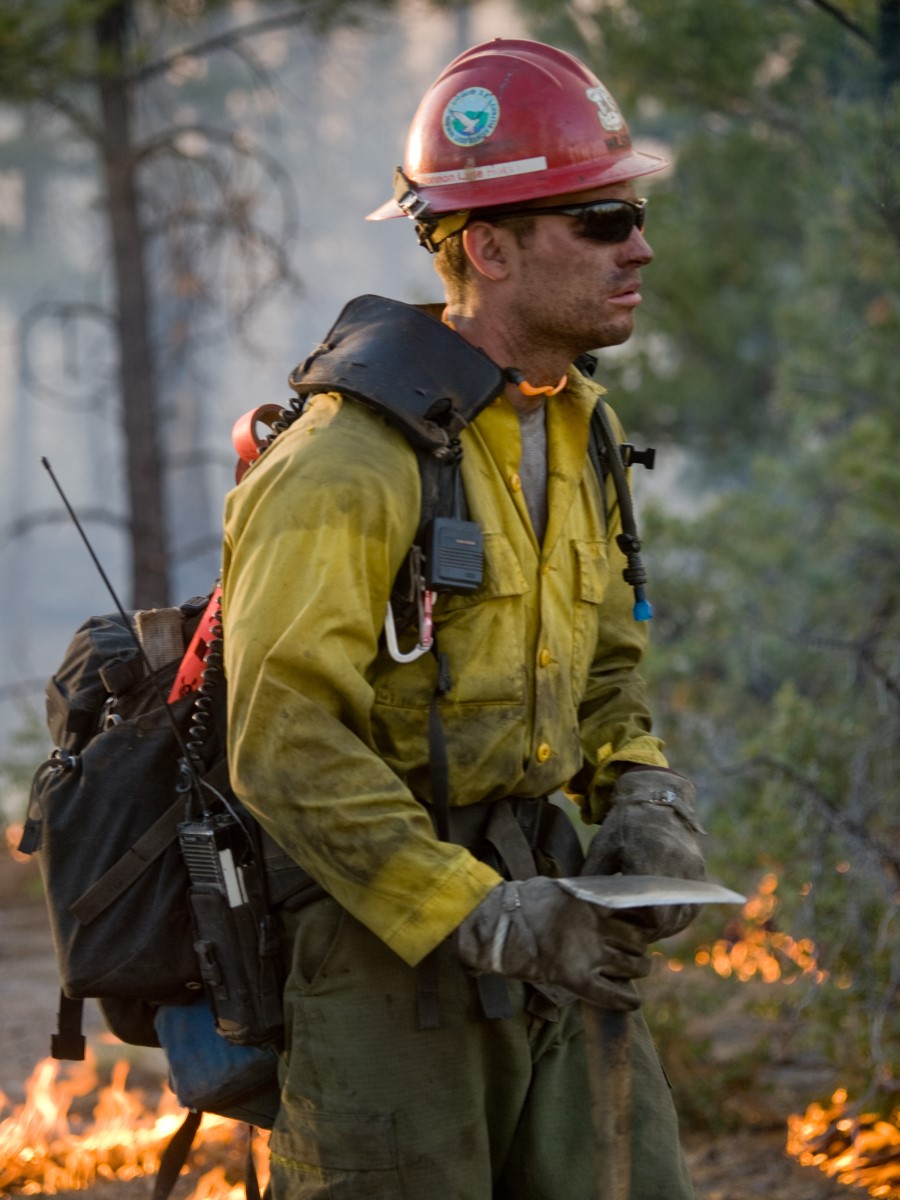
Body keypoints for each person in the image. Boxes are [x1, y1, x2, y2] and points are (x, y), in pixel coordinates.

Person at [222, 37, 705, 1200]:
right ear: (487, 247)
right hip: (386, 960)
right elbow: (283, 742)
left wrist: (641, 791)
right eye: (600, 220)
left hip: (564, 931)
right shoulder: (348, 459)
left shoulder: (580, 426)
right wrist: (480, 918)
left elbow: (606, 668)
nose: (638, 246)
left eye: (633, 213)